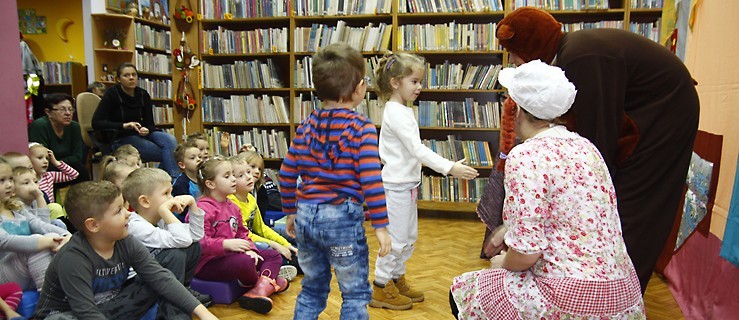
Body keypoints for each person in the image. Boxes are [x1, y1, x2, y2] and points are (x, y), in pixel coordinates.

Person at [495, 7, 700, 292]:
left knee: (631, 211)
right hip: (646, 113)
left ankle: (618, 293)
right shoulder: (572, 54)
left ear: (533, 47)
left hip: (665, 117)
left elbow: (596, 144)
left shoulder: (582, 58)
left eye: (514, 53)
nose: (514, 61)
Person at [449, 60, 644, 319]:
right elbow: (569, 209)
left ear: (516, 110)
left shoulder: (525, 155)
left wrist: (501, 264)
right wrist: (508, 229)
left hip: (570, 297)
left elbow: (526, 255)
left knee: (463, 294)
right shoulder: (587, 148)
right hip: (622, 293)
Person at [278, 42, 392, 319]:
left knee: (312, 288)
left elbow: (286, 173)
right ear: (358, 89)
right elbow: (371, 179)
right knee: (354, 293)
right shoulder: (361, 128)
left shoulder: (305, 126)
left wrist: (290, 212)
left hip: (306, 216)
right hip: (341, 220)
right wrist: (381, 225)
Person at [370, 52, 479, 310]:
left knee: (408, 237)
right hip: (395, 187)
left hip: (406, 185)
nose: (420, 87)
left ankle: (396, 278)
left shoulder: (402, 110)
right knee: (395, 240)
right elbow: (417, 150)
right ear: (395, 83)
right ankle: (381, 286)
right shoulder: (395, 112)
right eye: (414, 81)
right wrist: (449, 167)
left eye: (420, 81)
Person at [33, 181, 218, 320]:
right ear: (93, 225)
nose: (129, 213)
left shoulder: (126, 241)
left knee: (158, 281)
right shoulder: (73, 257)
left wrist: (205, 315)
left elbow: (161, 278)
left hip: (107, 308)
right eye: (118, 210)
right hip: (68, 314)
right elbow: (85, 311)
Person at [194, 157, 287, 314]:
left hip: (233, 256)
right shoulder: (201, 209)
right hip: (209, 264)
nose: (233, 179)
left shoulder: (233, 207)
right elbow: (199, 243)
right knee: (245, 261)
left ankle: (259, 290)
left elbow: (243, 234)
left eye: (232, 175)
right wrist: (225, 244)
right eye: (227, 176)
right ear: (210, 184)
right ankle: (267, 282)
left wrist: (250, 248)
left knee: (273, 256)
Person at [122, 168, 212, 307]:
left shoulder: (160, 219)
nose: (172, 198)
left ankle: (183, 289)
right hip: (136, 283)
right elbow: (183, 240)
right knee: (175, 254)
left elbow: (195, 237)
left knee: (193, 247)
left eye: (171, 192)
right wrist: (165, 211)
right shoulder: (136, 226)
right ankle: (172, 300)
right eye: (166, 194)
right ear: (145, 201)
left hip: (157, 276)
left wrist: (193, 205)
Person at [92, 62, 179, 178]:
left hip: (143, 134)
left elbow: (150, 124)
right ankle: (171, 179)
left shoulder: (143, 94)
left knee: (170, 140)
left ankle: (166, 180)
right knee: (168, 153)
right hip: (121, 137)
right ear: (118, 79)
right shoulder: (112, 94)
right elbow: (96, 122)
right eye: (126, 75)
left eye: (134, 75)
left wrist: (147, 129)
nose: (131, 78)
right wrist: (124, 125)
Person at [0, 159, 71, 291]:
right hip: (4, 275)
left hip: (25, 270)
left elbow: (38, 224)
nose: (9, 184)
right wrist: (43, 242)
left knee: (52, 235)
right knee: (37, 246)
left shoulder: (16, 208)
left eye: (10, 179)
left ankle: (72, 287)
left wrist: (66, 235)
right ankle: (48, 300)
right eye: (2, 181)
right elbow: (5, 241)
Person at [228, 155, 299, 281]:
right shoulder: (231, 204)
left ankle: (289, 263)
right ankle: (277, 268)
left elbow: (261, 228)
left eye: (248, 172)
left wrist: (285, 244)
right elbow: (245, 235)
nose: (249, 177)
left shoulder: (250, 198)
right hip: (242, 243)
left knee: (291, 249)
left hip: (254, 238)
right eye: (241, 175)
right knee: (269, 249)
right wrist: (276, 245)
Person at [28, 93, 89, 182]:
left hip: (64, 166)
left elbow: (77, 156)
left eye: (70, 109)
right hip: (46, 167)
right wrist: (57, 163)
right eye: (62, 109)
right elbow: (40, 158)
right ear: (48, 112)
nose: (68, 113)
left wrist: (58, 162)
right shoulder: (40, 126)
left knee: (81, 170)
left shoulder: (74, 127)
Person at [171, 141, 202, 221]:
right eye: (193, 158)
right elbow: (181, 210)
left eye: (200, 157)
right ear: (182, 165)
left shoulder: (203, 177)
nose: (198, 160)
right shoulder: (181, 183)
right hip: (185, 221)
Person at [20, 33, 46, 121]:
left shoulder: (22, 46)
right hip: (32, 82)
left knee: (34, 109)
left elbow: (30, 73)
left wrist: (31, 93)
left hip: (31, 83)